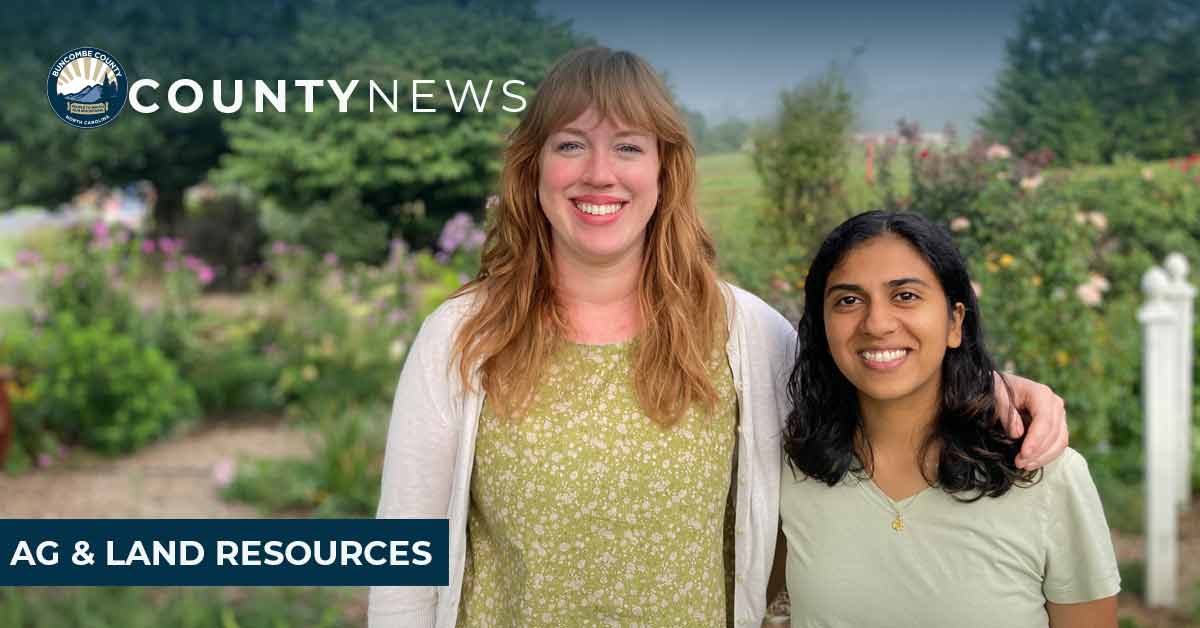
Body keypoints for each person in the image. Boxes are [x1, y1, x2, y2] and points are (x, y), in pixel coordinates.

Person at [368, 47, 1070, 627]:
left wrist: (992, 388)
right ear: (534, 170)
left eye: (628, 147)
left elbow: (867, 393)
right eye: (570, 144)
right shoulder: (462, 338)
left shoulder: (743, 333)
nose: (599, 173)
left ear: (664, 171)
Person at [778, 211, 1119, 627]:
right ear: (823, 326)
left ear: (955, 322)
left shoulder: (1045, 477)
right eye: (848, 300)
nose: (877, 323)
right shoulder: (790, 470)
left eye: (905, 296)